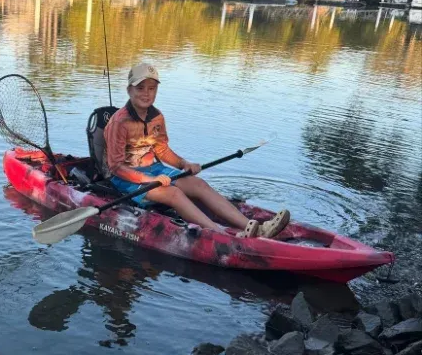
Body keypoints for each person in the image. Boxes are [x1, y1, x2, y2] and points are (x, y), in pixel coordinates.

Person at [103, 63, 290, 238]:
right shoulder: (119, 122)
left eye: (152, 88)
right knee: (174, 193)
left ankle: (254, 228)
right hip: (126, 179)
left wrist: (184, 164)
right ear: (129, 90)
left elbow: (161, 149)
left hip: (154, 170)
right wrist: (150, 180)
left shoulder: (157, 117)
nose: (146, 93)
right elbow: (116, 167)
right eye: (140, 88)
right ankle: (221, 235)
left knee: (198, 184)